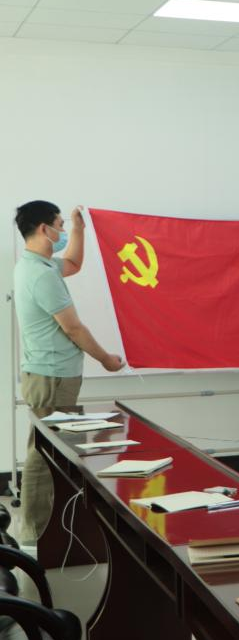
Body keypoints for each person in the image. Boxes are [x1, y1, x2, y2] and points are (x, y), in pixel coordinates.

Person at [13, 202, 125, 545]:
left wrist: (78, 227)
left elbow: (73, 263)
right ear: (44, 229)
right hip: (51, 377)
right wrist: (105, 359)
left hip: (52, 374)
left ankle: (50, 530)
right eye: (60, 225)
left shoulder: (37, 264)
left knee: (52, 450)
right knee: (44, 454)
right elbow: (73, 328)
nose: (62, 232)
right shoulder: (42, 275)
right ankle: (36, 535)